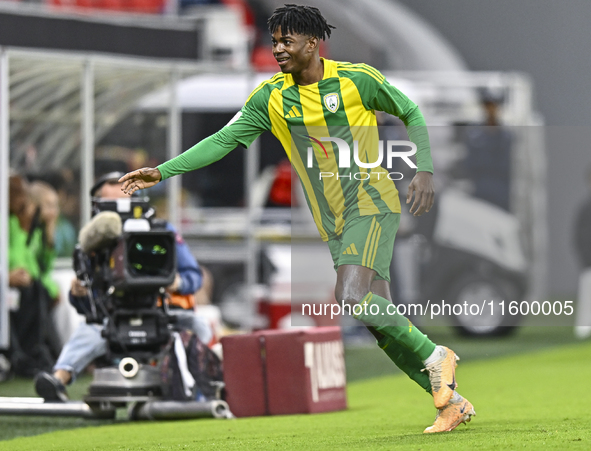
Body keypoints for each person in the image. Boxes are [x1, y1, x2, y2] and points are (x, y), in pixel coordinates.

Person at [119, 4, 475, 433]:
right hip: (333, 221)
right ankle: (450, 403)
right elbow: (223, 140)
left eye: (287, 41)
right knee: (378, 321)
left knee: (351, 297)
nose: (278, 49)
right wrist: (163, 171)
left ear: (313, 43)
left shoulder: (356, 79)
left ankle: (438, 356)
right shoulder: (271, 98)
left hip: (372, 203)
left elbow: (411, 112)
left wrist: (424, 171)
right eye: (274, 42)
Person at [34, 171, 213, 401]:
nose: (119, 192)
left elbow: (194, 276)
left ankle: (206, 383)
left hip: (159, 311)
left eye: (123, 188)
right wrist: (77, 292)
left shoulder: (162, 231)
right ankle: (59, 379)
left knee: (199, 325)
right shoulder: (93, 243)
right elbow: (86, 305)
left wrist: (176, 282)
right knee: (89, 332)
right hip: (113, 315)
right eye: (110, 191)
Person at [574, 165, 591, 338]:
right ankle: (583, 328)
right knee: (587, 297)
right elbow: (580, 236)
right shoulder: (586, 208)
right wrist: (586, 258)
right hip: (589, 262)